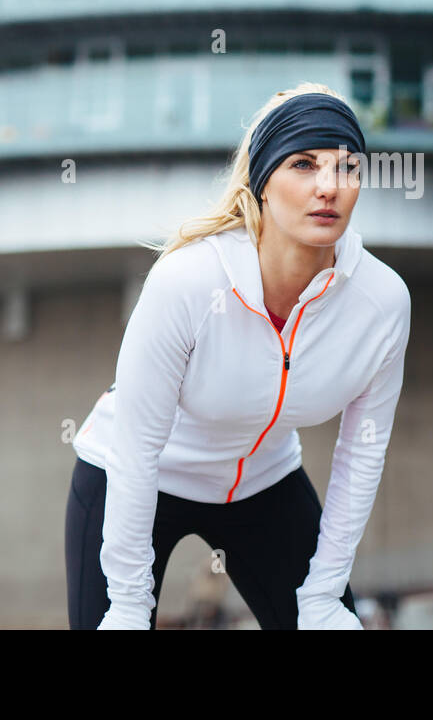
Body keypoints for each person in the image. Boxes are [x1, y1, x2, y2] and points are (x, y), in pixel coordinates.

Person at [64, 82, 411, 630]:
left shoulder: (382, 303)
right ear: (263, 182)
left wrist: (324, 595)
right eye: (303, 164)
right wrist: (128, 605)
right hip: (134, 475)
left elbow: (361, 454)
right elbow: (136, 448)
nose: (329, 186)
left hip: (264, 484)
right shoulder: (188, 281)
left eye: (347, 167)